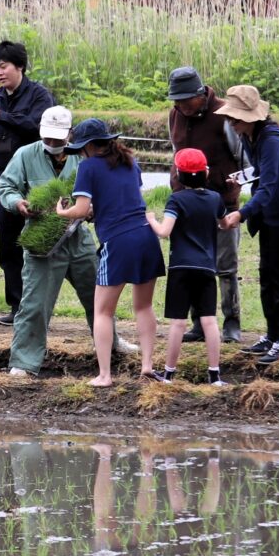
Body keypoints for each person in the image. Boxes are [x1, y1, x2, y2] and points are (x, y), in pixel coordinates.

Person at [0, 106, 119, 378]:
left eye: (58, 139)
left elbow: (102, 191)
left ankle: (113, 347)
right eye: (48, 138)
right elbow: (6, 188)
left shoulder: (84, 157)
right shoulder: (25, 155)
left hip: (78, 238)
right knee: (35, 303)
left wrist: (92, 210)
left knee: (98, 295)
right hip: (42, 240)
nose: (52, 144)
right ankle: (25, 362)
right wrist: (18, 203)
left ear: (70, 134)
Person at [55, 118, 165, 387]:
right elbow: (123, 200)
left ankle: (104, 375)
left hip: (118, 241)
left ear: (90, 146)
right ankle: (147, 367)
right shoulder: (130, 162)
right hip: (146, 236)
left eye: (81, 148)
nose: (80, 153)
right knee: (144, 305)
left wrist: (62, 212)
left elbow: (80, 211)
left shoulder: (88, 167)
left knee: (102, 311)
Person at [218, 85, 279, 366]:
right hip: (269, 215)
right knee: (267, 275)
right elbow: (260, 174)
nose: (231, 123)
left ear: (252, 116)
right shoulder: (250, 136)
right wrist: (242, 177)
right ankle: (271, 335)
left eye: (235, 118)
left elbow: (267, 188)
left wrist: (240, 214)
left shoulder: (272, 142)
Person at [0, 40, 56, 325]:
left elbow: (37, 129)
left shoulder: (39, 95)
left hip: (36, 180)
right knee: (9, 246)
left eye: (3, 66)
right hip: (4, 180)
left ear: (19, 66)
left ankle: (39, 308)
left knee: (39, 243)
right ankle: (17, 306)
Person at [167, 66, 244, 343]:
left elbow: (243, 157)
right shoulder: (175, 114)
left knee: (225, 266)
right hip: (185, 204)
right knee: (192, 265)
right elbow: (176, 152)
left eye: (186, 100)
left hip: (221, 202)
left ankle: (232, 322)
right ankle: (199, 323)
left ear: (201, 94)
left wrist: (230, 186)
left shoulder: (224, 114)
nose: (181, 106)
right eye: (176, 100)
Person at [147, 147, 225, 384]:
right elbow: (223, 222)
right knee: (209, 320)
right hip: (207, 267)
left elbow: (164, 232)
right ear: (206, 173)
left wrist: (150, 218)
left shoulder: (176, 199)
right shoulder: (215, 198)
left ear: (178, 174)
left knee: (178, 322)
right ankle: (214, 375)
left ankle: (169, 374)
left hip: (181, 267)